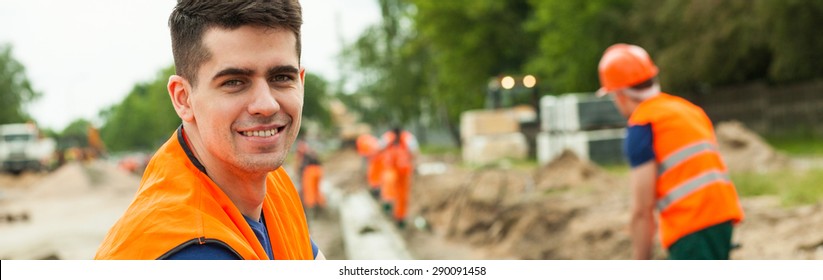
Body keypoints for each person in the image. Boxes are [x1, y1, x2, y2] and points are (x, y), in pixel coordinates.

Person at [95, 0, 324, 260]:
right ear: (183, 99)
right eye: (234, 82)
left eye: (282, 77)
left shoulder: (274, 186)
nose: (267, 105)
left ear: (301, 83)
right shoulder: (192, 253)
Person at [596, 43, 744, 260]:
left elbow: (642, 210)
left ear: (620, 95)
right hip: (722, 219)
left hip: (691, 228)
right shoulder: (688, 110)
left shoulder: (643, 125)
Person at [377, 126, 419, 229]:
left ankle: (400, 217)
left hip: (403, 172)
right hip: (391, 167)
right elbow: (378, 148)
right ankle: (388, 202)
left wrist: (415, 165)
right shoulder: (387, 138)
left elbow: (415, 152)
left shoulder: (408, 138)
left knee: (402, 195)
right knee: (389, 182)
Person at [355, 133, 381, 198]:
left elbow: (364, 156)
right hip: (377, 159)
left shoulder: (362, 142)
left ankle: (376, 191)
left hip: (375, 160)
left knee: (373, 176)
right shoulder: (372, 140)